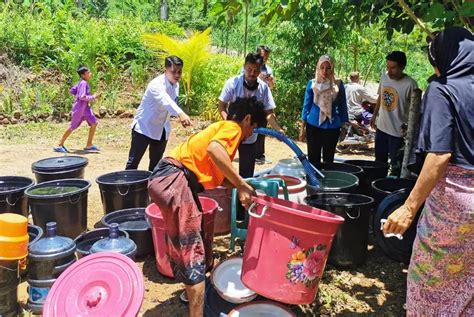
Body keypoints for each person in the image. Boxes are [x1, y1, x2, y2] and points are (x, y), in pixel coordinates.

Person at [383, 27, 473, 316]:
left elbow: (439, 155)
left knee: (430, 280)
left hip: (454, 205)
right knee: (467, 281)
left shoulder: (442, 88)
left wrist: (409, 209)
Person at [148, 97, 267, 317]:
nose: (251, 134)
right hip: (174, 179)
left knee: (192, 241)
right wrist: (240, 184)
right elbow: (214, 149)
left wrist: (244, 187)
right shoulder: (232, 128)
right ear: (247, 119)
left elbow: (219, 178)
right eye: (254, 128)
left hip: (168, 178)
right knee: (192, 250)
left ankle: (190, 292)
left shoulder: (220, 129)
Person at [218, 52, 284, 178]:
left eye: (256, 71)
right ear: (244, 67)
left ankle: (243, 195)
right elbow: (221, 106)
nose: (252, 73)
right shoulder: (232, 83)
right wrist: (230, 125)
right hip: (231, 134)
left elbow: (269, 113)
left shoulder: (264, 88)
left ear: (260, 71)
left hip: (250, 135)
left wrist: (278, 129)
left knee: (247, 173)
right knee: (223, 169)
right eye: (249, 69)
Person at [125, 56, 192, 171]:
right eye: (173, 72)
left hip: (162, 129)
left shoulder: (176, 85)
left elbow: (171, 103)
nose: (177, 75)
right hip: (144, 127)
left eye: (179, 72)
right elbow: (165, 100)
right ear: (165, 70)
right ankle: (128, 188)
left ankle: (150, 188)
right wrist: (181, 114)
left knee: (156, 165)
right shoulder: (156, 84)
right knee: (133, 163)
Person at [370, 51, 418, 176]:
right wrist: (374, 115)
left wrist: (409, 128)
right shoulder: (384, 77)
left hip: (397, 133)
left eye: (393, 68)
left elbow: (416, 110)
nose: (389, 71)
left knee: (396, 166)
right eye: (387, 67)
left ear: (402, 67)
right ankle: (376, 186)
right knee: (379, 163)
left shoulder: (410, 84)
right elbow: (381, 97)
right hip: (381, 128)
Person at [299, 55, 348, 165]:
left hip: (332, 126)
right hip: (314, 125)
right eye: (322, 67)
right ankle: (313, 181)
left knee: (329, 160)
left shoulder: (338, 84)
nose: (325, 71)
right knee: (313, 158)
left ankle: (327, 181)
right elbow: (306, 106)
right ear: (318, 68)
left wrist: (344, 127)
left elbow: (342, 106)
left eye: (328, 68)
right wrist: (302, 128)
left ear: (332, 68)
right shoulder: (312, 84)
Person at [54, 66, 100, 153]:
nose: (90, 74)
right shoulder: (83, 83)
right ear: (83, 75)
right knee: (73, 126)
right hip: (79, 108)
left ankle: (89, 145)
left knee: (94, 123)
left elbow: (72, 90)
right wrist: (94, 97)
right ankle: (59, 145)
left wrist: (78, 93)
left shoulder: (81, 83)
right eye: (88, 73)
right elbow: (82, 97)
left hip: (85, 108)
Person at [255, 45, 274, 165]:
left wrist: (270, 80)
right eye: (262, 56)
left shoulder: (269, 70)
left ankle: (260, 155)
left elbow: (271, 87)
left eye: (266, 57)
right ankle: (250, 154)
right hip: (251, 102)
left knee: (262, 128)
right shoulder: (251, 66)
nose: (264, 59)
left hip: (263, 102)